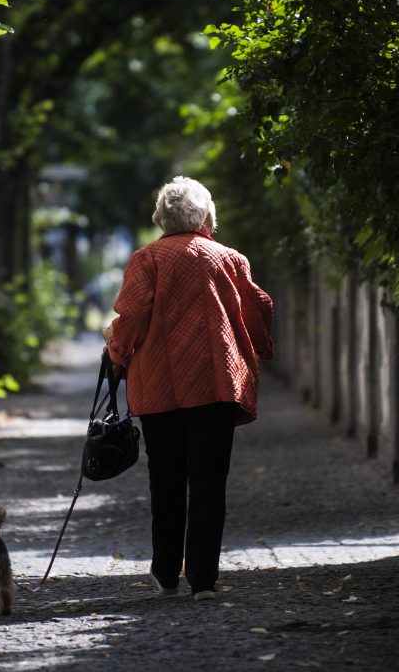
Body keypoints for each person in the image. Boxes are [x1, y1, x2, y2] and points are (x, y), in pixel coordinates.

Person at [102, 176, 273, 601]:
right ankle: (204, 580)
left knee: (165, 478)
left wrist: (117, 351)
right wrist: (259, 351)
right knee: (210, 479)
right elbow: (259, 307)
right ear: (207, 217)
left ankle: (165, 573)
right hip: (215, 384)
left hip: (159, 386)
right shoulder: (229, 259)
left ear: (162, 218)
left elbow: (133, 313)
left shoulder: (147, 260)